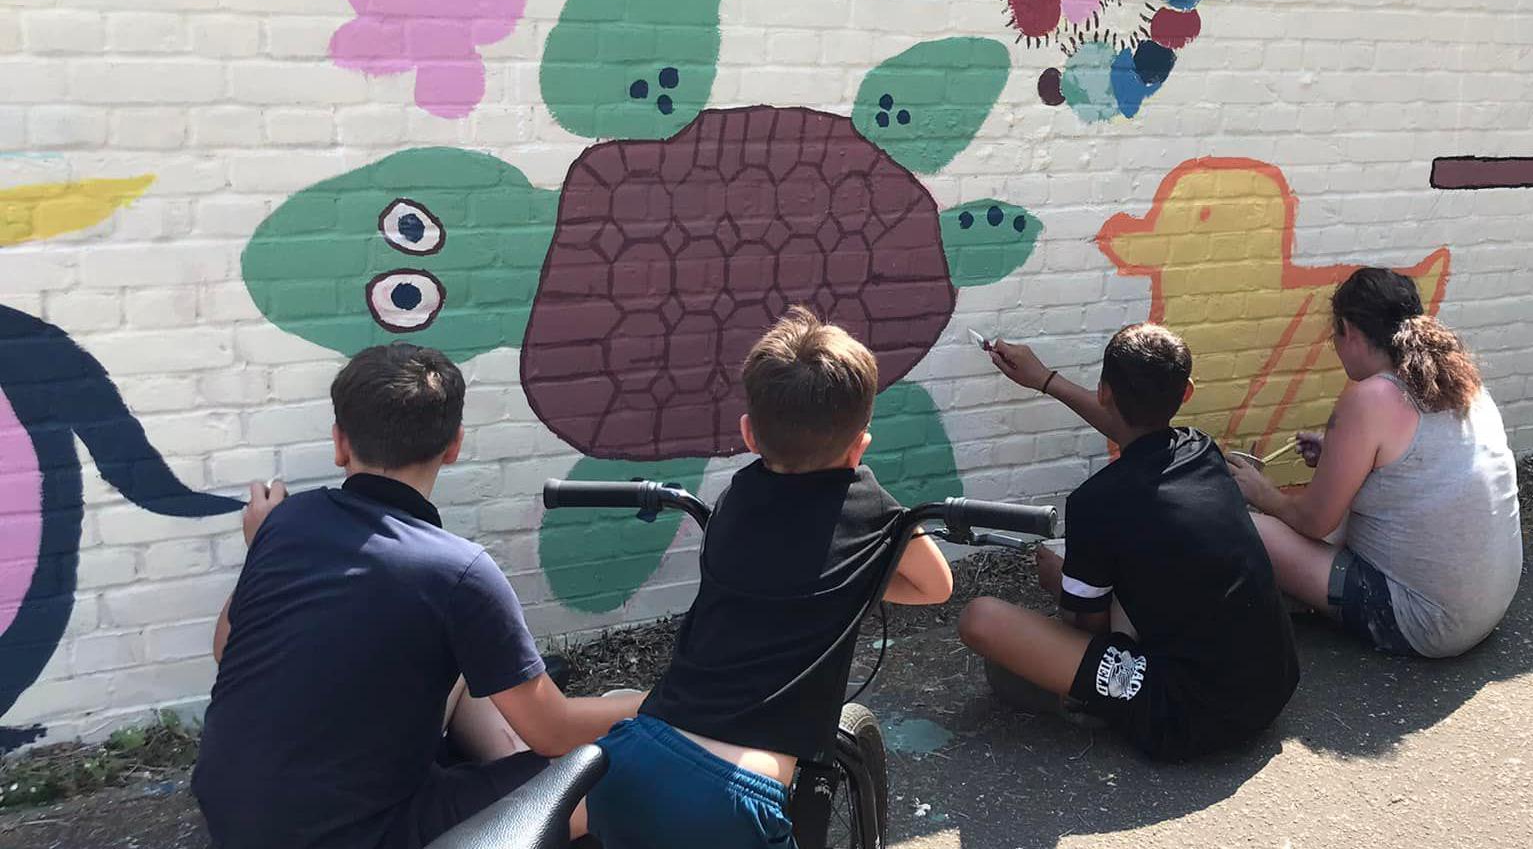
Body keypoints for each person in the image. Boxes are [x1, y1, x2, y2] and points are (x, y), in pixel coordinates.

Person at [194, 344, 644, 849]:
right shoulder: (459, 570)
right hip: (366, 834)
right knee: (619, 777)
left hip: (235, 819)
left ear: (340, 444)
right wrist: (656, 704)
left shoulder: (284, 524)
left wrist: (261, 546)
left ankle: (504, 764)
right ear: (454, 446)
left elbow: (226, 648)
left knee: (453, 667)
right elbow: (555, 730)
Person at [587, 306, 953, 849]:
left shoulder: (734, 498)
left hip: (635, 754)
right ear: (861, 443)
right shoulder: (869, 507)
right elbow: (936, 586)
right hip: (734, 795)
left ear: (748, 435)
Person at [958, 323, 1300, 761]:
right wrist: (1045, 380)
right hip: (1272, 685)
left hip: (1187, 717)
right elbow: (1134, 431)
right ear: (1187, 392)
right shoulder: (1201, 449)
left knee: (984, 627)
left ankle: (1094, 704)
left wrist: (1060, 582)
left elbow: (1086, 628)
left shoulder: (1096, 503)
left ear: (1104, 391)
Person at [1225, 267, 1522, 659]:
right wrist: (1337, 456)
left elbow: (1316, 520)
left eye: (1335, 335)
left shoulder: (1369, 398)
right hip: (1487, 602)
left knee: (1240, 526)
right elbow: (1415, 470)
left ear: (1348, 330)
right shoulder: (1459, 380)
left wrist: (1263, 494)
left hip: (1426, 623)